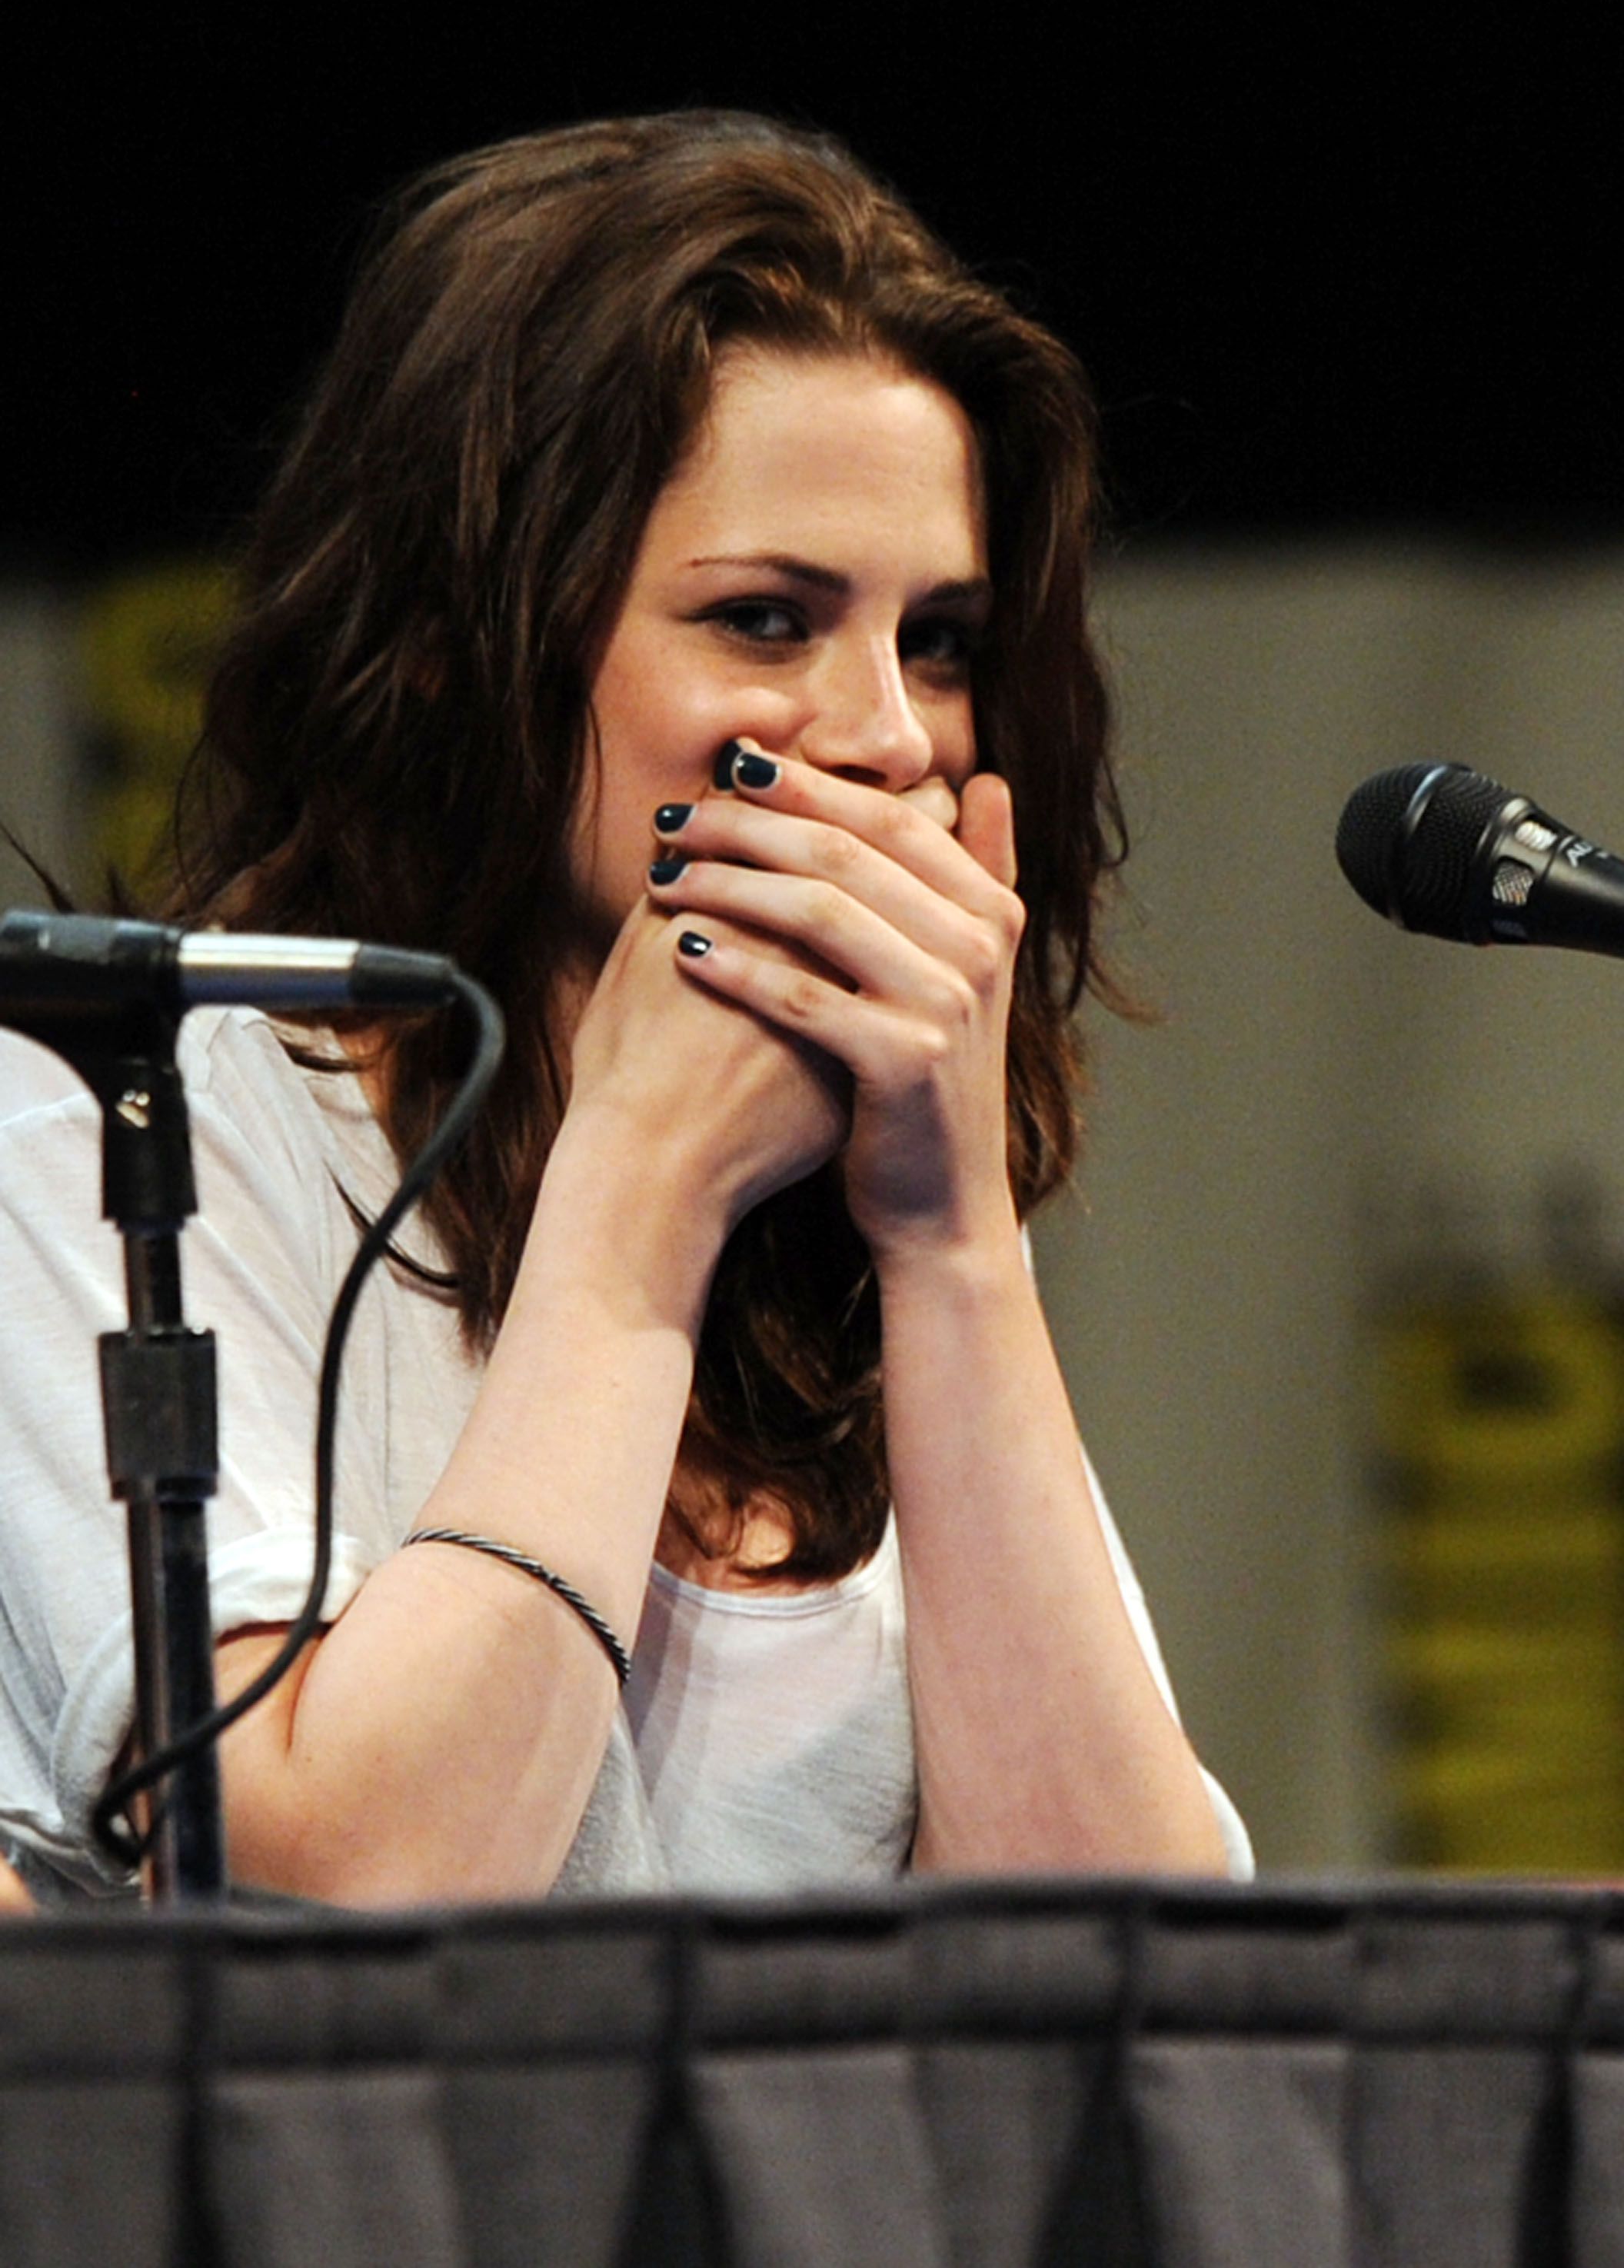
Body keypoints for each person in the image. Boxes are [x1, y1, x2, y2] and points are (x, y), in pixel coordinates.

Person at [0, 112, 1250, 1906]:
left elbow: (1125, 1973)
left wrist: (953, 1236)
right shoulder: (124, 1137)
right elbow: (351, 1906)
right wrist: (645, 1176)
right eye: (766, 620)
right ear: (457, 650)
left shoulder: (864, 1204)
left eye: (940, 641)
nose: (891, 737)